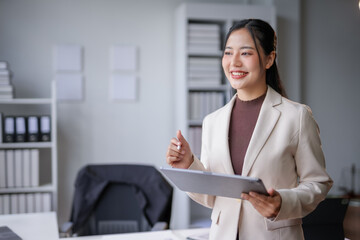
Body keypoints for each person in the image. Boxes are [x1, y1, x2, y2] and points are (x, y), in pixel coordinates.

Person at [166, 19, 333, 240]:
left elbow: (318, 184)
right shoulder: (212, 121)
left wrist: (282, 203)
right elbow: (212, 197)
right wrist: (188, 165)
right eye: (228, 53)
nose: (234, 62)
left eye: (245, 53)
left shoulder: (297, 116)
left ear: (269, 59)